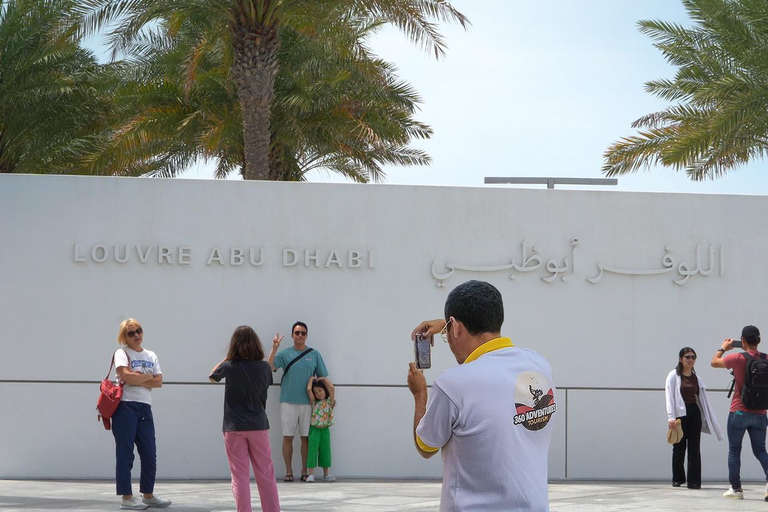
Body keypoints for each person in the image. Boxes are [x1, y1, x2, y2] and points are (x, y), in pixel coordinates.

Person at [407, 280, 556, 512]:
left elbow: (426, 446)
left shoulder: (453, 384)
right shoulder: (539, 365)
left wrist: (420, 395)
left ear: (455, 327)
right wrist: (450, 324)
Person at [208, 326, 280, 512]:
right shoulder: (264, 367)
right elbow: (267, 381)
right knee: (265, 473)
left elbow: (212, 376)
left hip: (234, 426)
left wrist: (229, 357)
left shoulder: (229, 367)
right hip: (258, 425)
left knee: (239, 476)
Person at [111, 319, 171, 510]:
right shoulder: (121, 353)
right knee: (125, 453)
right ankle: (127, 498)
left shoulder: (151, 354)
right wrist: (147, 377)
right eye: (131, 333)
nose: (136, 335)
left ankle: (148, 494)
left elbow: (159, 381)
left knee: (149, 453)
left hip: (145, 407)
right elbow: (126, 376)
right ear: (124, 337)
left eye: (139, 331)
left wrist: (137, 377)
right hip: (125, 407)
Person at [711, 325, 768, 500]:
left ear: (742, 340)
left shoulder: (737, 357)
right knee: (760, 450)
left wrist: (723, 348)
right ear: (759, 340)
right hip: (760, 413)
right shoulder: (766, 358)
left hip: (739, 411)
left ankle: (736, 489)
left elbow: (714, 362)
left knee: (734, 451)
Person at [268, 321, 329, 482]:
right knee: (287, 436)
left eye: (303, 333)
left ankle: (304, 471)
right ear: (292, 335)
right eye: (297, 333)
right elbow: (270, 367)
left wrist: (330, 399)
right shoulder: (284, 353)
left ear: (307, 335)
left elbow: (323, 378)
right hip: (288, 401)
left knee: (306, 438)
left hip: (309, 404)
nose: (300, 335)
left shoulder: (314, 354)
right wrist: (274, 348)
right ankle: (288, 471)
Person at [664, 347, 723, 489]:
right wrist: (671, 417)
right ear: (681, 359)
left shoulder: (697, 378)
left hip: (694, 413)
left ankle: (694, 481)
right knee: (678, 446)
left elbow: (701, 399)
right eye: (687, 357)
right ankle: (677, 478)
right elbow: (669, 396)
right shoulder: (673, 375)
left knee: (694, 448)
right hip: (680, 414)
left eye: (693, 357)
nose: (691, 360)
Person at [305, 376, 336, 482]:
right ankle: (311, 474)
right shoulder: (314, 402)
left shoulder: (329, 402)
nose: (318, 393)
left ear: (324, 390)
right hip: (314, 430)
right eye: (316, 392)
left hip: (325, 431)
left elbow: (332, 388)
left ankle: (326, 474)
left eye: (320, 390)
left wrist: (323, 379)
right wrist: (311, 380)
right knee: (312, 451)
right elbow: (309, 389)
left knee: (325, 451)